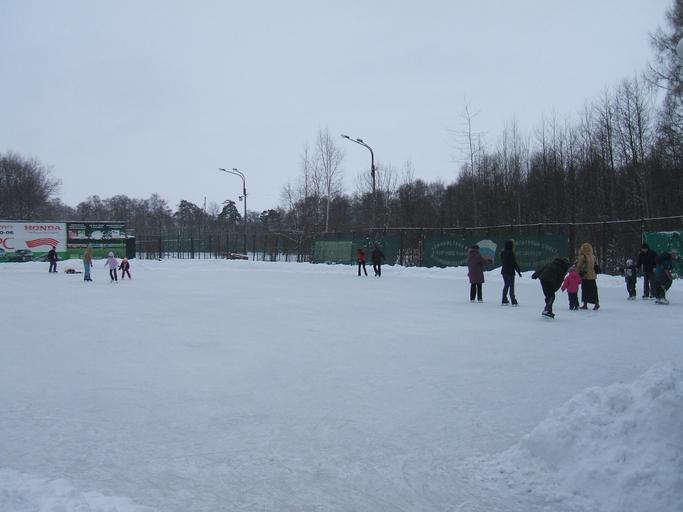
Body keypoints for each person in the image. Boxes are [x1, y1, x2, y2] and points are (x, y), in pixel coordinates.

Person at [576, 242, 600, 310]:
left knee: (585, 290)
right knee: (593, 290)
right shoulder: (593, 256)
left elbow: (579, 266)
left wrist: (576, 273)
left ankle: (585, 304)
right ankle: (596, 303)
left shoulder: (583, 256)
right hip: (593, 276)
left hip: (585, 275)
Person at [500, 239, 522, 306]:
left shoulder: (503, 253)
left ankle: (504, 300)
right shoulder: (511, 253)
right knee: (511, 286)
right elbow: (514, 263)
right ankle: (513, 301)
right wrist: (518, 271)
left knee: (506, 285)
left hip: (504, 271)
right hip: (510, 271)